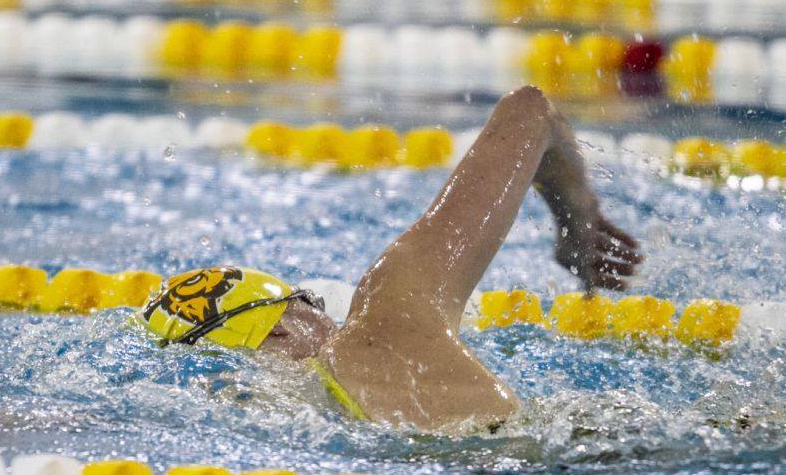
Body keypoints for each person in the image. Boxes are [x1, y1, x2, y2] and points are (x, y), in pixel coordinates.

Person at [140, 86, 642, 430]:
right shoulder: (386, 315)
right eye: (306, 299)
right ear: (281, 329)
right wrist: (580, 225)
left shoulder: (275, 426)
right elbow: (530, 110)